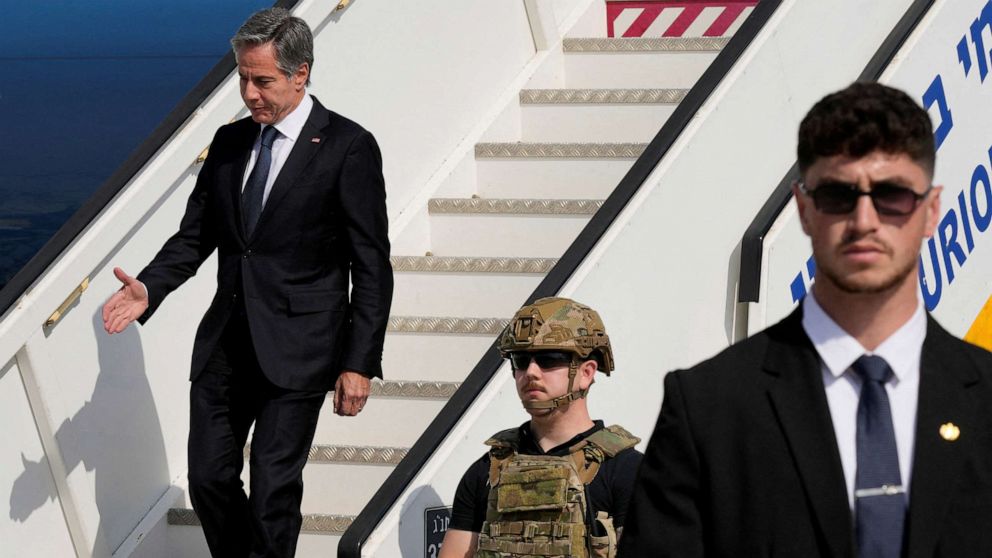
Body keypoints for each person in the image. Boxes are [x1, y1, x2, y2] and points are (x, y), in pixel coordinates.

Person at [619, 81, 992, 557]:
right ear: (803, 209)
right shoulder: (710, 410)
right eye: (838, 195)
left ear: (932, 209)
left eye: (892, 195)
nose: (863, 221)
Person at [100, 7, 392, 557]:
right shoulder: (230, 142)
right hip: (226, 345)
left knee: (272, 493)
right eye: (242, 78)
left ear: (300, 74)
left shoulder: (348, 147)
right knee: (209, 479)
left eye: (263, 80)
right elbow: (195, 237)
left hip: (301, 349)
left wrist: (358, 361)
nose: (250, 93)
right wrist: (150, 287)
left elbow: (371, 264)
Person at [440, 297, 643, 558]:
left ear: (586, 373)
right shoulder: (488, 470)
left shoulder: (626, 471)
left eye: (549, 359)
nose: (531, 372)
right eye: (521, 360)